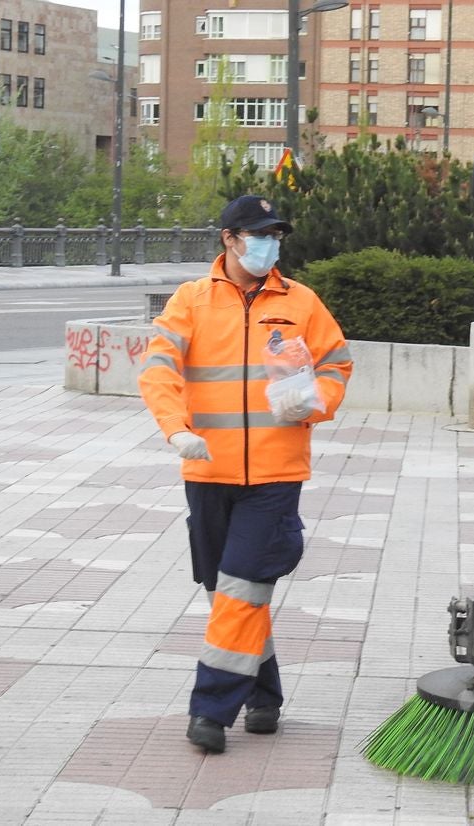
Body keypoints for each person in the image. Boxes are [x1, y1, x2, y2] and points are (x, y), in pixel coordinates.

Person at [138, 194, 353, 754]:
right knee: (228, 593)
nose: (270, 244)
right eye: (260, 235)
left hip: (276, 474)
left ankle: (211, 710)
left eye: (277, 235)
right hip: (208, 469)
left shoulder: (302, 301)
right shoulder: (190, 301)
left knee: (238, 590)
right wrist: (175, 429)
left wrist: (317, 401)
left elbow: (336, 362)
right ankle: (265, 697)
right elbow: (158, 367)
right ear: (229, 239)